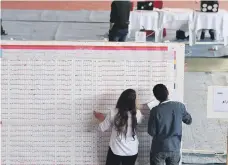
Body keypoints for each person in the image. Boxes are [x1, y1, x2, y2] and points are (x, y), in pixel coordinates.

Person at [94, 89, 143, 165]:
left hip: (116, 150)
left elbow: (102, 128)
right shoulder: (138, 113)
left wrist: (101, 119)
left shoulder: (113, 112)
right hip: (132, 150)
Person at [148, 84, 192, 165]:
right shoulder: (180, 106)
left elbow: (151, 132)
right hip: (174, 147)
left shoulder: (155, 110)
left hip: (158, 148)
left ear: (156, 97)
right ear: (167, 92)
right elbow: (189, 121)